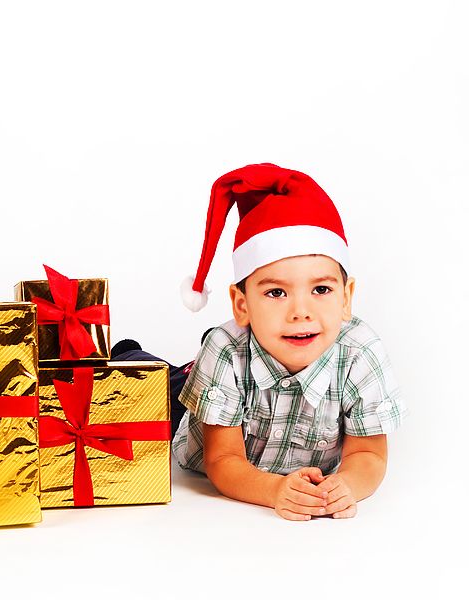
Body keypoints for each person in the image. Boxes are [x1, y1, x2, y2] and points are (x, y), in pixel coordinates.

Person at [116, 163, 406, 521]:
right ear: (242, 305)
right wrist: (274, 491)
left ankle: (201, 365)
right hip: (199, 410)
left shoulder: (361, 352)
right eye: (276, 292)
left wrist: (345, 486)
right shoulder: (225, 350)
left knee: (210, 364)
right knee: (162, 386)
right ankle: (132, 352)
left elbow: (370, 455)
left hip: (242, 369)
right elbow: (223, 460)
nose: (301, 312)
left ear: (346, 298)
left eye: (321, 289)